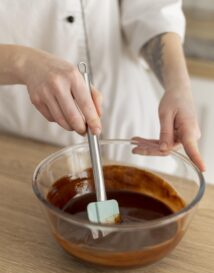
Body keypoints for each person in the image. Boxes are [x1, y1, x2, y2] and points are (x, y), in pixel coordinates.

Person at [0, 0, 205, 171]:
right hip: (28, 142)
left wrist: (178, 87)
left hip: (130, 125)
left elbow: (151, 10)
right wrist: (23, 63)